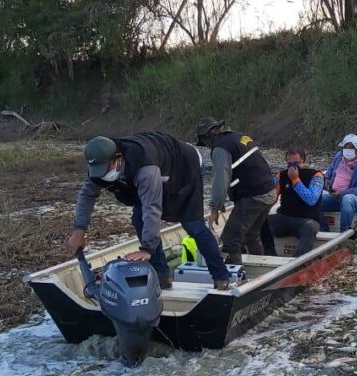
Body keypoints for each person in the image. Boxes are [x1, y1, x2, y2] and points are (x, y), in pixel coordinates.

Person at [66, 132, 231, 290]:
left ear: (118, 157)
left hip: (184, 164)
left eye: (105, 168)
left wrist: (147, 249)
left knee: (192, 224)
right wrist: (79, 229)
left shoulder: (144, 166)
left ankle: (221, 276)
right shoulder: (99, 165)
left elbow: (152, 207)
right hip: (154, 166)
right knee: (138, 220)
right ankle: (162, 276)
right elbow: (87, 194)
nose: (102, 174)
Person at [196, 117, 276, 265]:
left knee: (230, 239)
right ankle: (259, 270)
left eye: (205, 142)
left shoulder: (221, 147)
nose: (207, 146)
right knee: (251, 234)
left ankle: (235, 280)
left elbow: (221, 179)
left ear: (209, 135)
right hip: (269, 192)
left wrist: (215, 207)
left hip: (254, 196)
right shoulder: (240, 137)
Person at [267, 149, 324, 257]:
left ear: (303, 161)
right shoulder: (282, 175)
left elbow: (311, 199)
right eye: (290, 164)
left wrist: (295, 180)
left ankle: (297, 261)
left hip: (306, 220)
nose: (293, 167)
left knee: (310, 227)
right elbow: (272, 198)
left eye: (296, 163)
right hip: (284, 217)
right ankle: (268, 255)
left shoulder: (316, 175)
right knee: (260, 223)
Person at [320, 133, 357, 232]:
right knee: (315, 200)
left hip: (355, 200)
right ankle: (323, 229)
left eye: (351, 147)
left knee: (347, 199)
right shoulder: (339, 156)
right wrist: (327, 178)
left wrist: (342, 193)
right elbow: (331, 169)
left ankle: (344, 232)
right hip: (334, 196)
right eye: (346, 147)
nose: (348, 149)